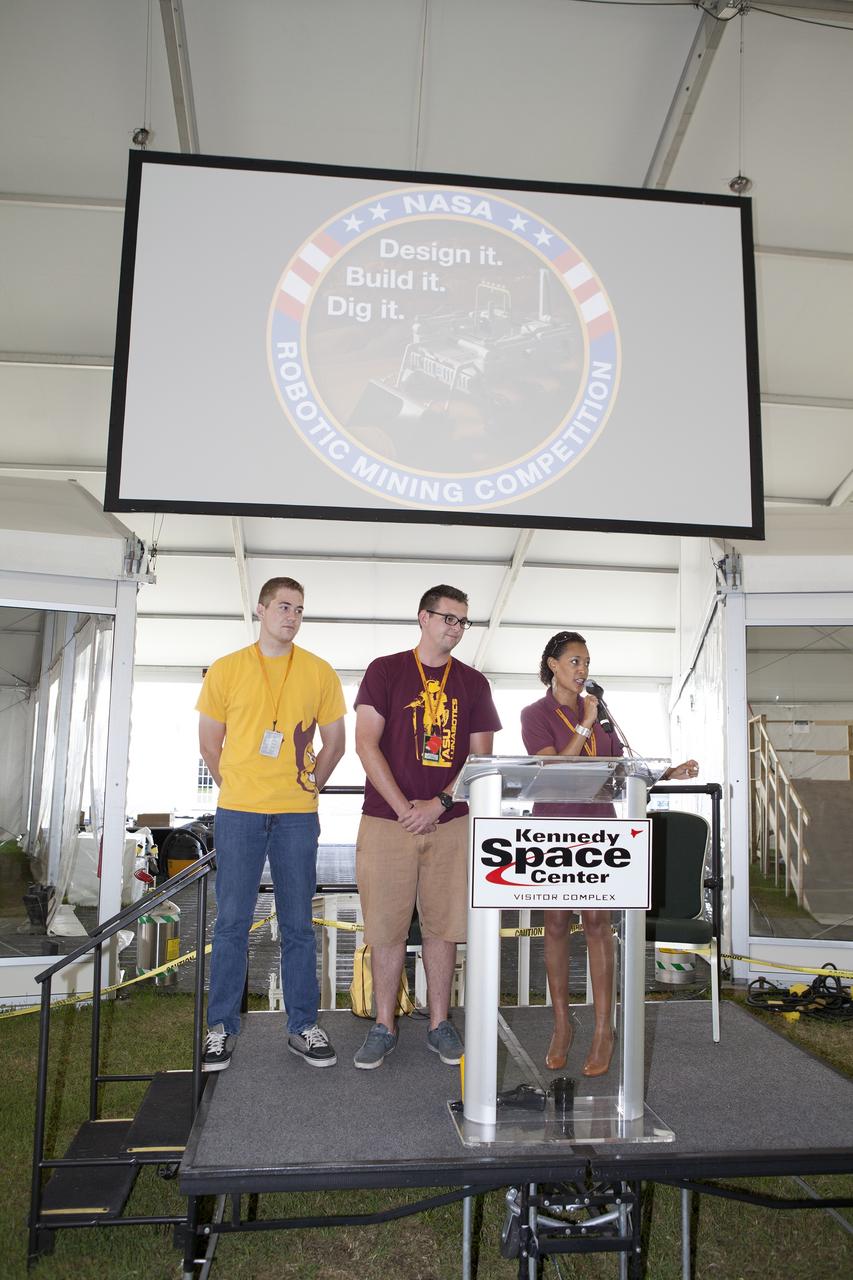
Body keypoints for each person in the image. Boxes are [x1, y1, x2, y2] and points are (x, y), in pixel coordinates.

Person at [520, 630, 699, 1077]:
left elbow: (622, 769)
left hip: (600, 829)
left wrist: (667, 773)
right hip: (554, 832)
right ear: (553, 664)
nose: (582, 670)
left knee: (598, 923)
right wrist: (585, 722)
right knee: (555, 924)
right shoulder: (535, 714)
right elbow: (554, 767)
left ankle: (604, 1029)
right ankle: (562, 1026)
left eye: (586, 662)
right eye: (574, 661)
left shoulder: (600, 717)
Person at [197, 576, 346, 1071]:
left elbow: (336, 743)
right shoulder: (227, 668)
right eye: (284, 607)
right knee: (231, 923)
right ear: (260, 610)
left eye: (299, 609)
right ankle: (220, 1028)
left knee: (298, 923)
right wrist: (239, 789)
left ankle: (303, 1025)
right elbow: (209, 744)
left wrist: (310, 787)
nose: (292, 616)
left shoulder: (319, 671)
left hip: (297, 816)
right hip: (238, 813)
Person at [352, 585, 502, 1069]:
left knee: (444, 926)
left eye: (463, 621)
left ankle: (440, 1023)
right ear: (423, 618)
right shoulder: (385, 670)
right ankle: (383, 1025)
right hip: (386, 820)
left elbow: (482, 756)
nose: (455, 628)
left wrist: (438, 804)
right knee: (385, 927)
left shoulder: (474, 683)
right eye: (447, 618)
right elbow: (365, 743)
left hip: (451, 821)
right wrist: (404, 809)